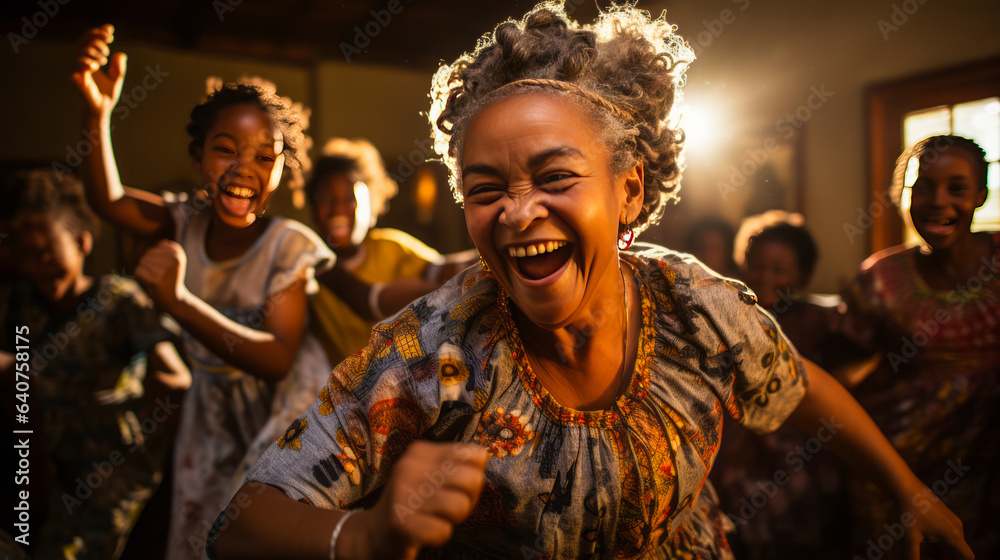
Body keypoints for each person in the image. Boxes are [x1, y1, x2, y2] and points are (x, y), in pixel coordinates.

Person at [211, 4, 971, 559]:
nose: (516, 214)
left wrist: (913, 492)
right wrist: (366, 535)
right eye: (484, 190)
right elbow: (240, 522)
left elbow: (799, 387)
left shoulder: (695, 306)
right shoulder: (427, 351)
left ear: (630, 191)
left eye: (554, 176)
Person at [72, 25, 334, 559]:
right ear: (198, 160)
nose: (244, 168)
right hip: (211, 410)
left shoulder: (289, 247)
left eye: (267, 156)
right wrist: (98, 115)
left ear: (283, 170)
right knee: (200, 535)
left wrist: (179, 303)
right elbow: (109, 199)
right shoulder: (183, 221)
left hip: (284, 409)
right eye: (225, 150)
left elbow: (277, 359)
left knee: (267, 531)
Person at [0, 170, 190, 559]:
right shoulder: (21, 306)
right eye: (25, 255)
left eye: (48, 253)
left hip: (110, 474)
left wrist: (142, 435)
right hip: (47, 467)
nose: (38, 266)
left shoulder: (118, 300)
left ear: (82, 241)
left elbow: (175, 377)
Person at [841, 135, 999, 557]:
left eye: (957, 188)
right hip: (899, 464)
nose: (937, 201)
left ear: (981, 195)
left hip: (985, 461)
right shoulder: (880, 276)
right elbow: (846, 365)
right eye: (922, 187)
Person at [711, 211, 865, 558]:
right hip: (740, 455)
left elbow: (854, 364)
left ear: (802, 275)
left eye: (779, 269)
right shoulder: (728, 317)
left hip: (802, 455)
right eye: (757, 265)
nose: (765, 277)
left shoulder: (817, 320)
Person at [307, 139, 478, 366]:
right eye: (327, 199)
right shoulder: (310, 260)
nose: (338, 209)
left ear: (372, 204)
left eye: (350, 198)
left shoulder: (390, 246)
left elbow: (442, 269)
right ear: (312, 205)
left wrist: (486, 257)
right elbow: (372, 302)